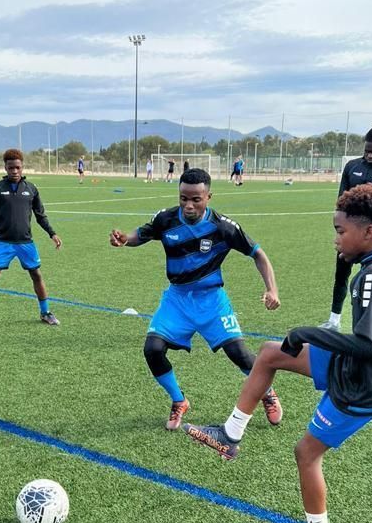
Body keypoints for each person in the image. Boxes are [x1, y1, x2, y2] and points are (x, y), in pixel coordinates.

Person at [182, 184, 372, 523]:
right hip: (359, 369)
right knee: (270, 353)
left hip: (363, 384)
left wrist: (305, 333)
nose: (336, 239)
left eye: (341, 231)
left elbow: (370, 344)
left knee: (306, 453)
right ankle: (231, 434)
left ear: (368, 232)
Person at [109, 167, 282, 431]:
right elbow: (140, 235)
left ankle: (267, 393)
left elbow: (258, 253)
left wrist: (272, 289)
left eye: (196, 199)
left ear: (208, 197)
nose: (188, 205)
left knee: (239, 354)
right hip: (177, 300)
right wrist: (124, 239)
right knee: (152, 350)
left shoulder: (223, 227)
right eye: (183, 198)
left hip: (212, 301)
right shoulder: (165, 219)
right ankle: (179, 400)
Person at [0, 149, 62, 330]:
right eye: (10, 168)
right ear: (5, 168)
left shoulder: (31, 189)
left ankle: (45, 312)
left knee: (36, 275)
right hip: (2, 242)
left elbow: (41, 216)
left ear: (22, 167)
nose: (14, 171)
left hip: (26, 242)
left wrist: (52, 233)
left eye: (17, 167)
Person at [321, 121, 372, 330]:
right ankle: (334, 321)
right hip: (351, 234)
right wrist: (340, 233)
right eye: (367, 150)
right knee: (341, 275)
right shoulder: (352, 167)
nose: (370, 155)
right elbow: (340, 201)